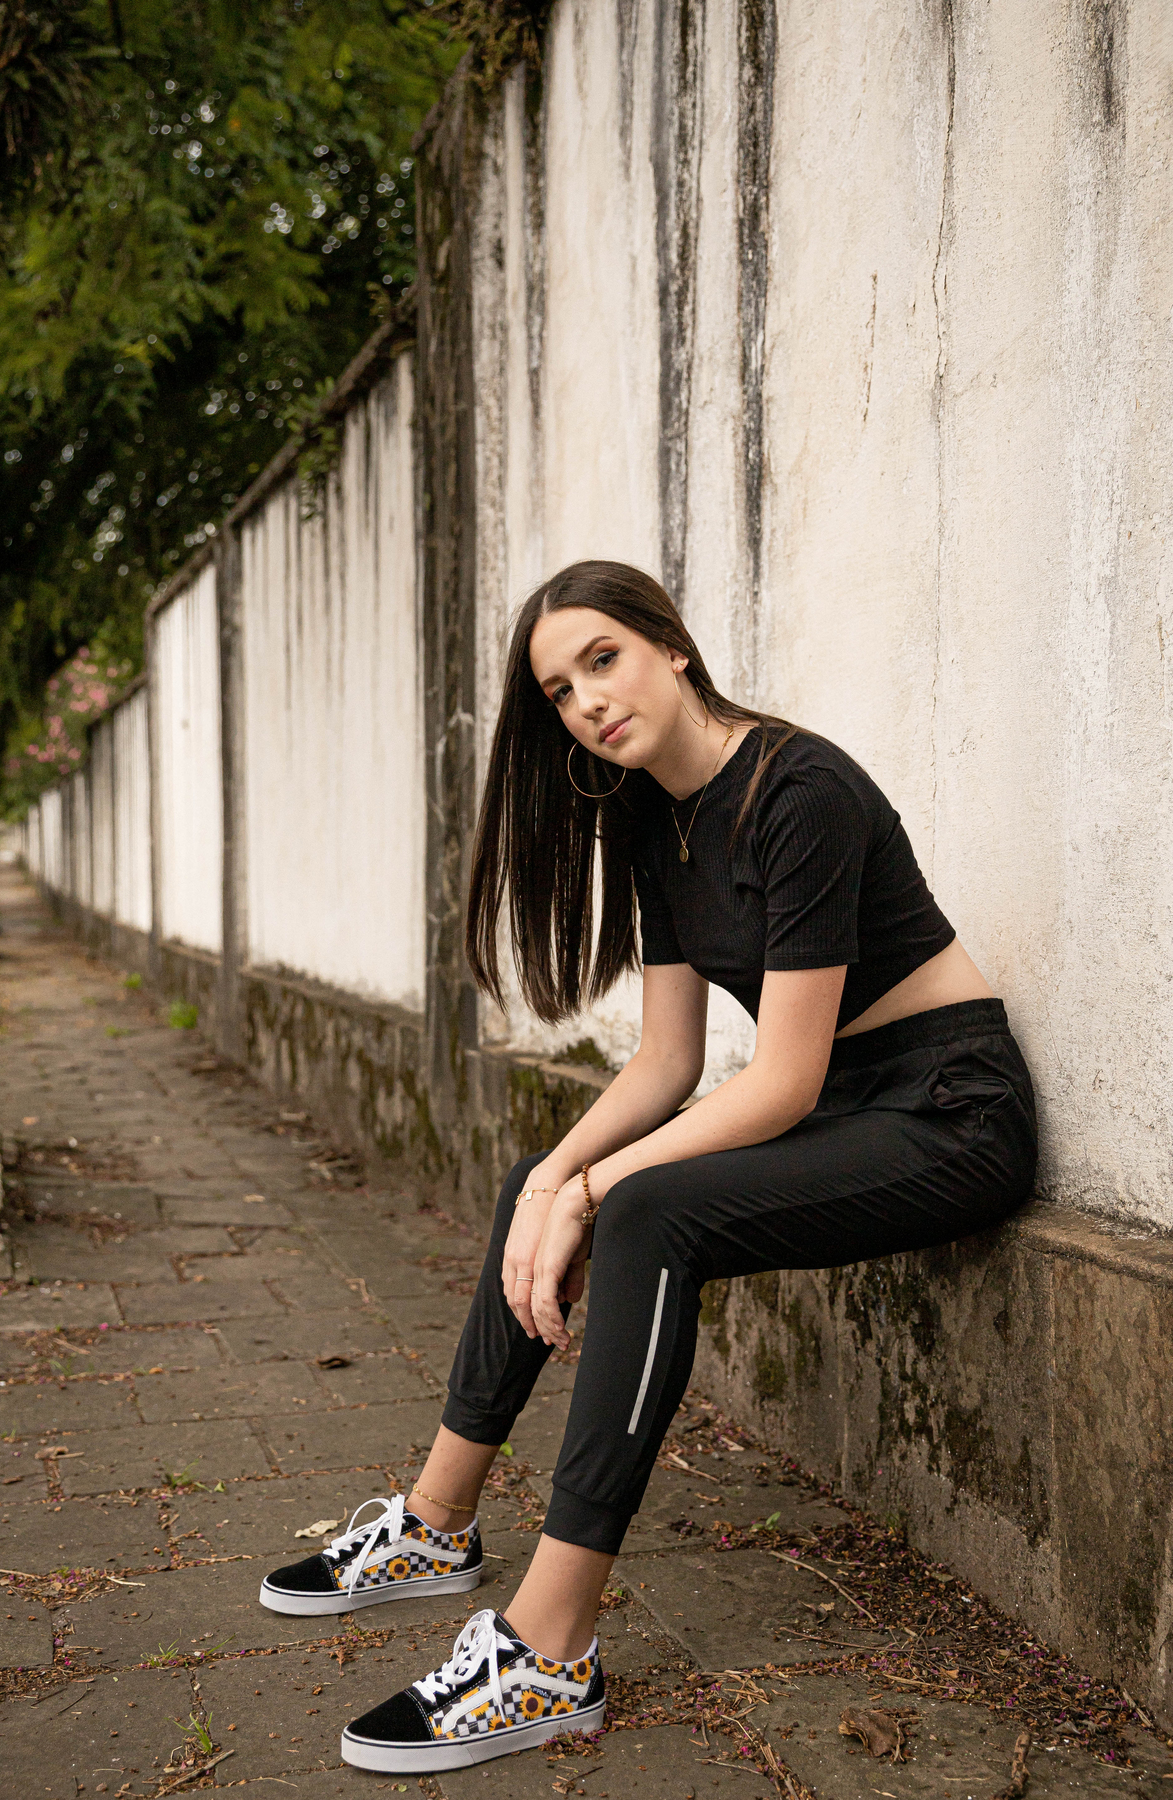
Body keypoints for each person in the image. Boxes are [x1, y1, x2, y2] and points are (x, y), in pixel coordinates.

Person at [258, 560, 1038, 1773]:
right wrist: (556, 1177)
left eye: (603, 660)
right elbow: (665, 1064)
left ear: (672, 646)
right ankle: (432, 1524)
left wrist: (597, 1191)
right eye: (562, 691)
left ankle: (548, 1649)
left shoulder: (801, 788)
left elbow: (777, 1081)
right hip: (849, 1105)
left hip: (949, 1110)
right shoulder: (652, 817)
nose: (587, 703)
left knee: (643, 1210)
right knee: (546, 1174)